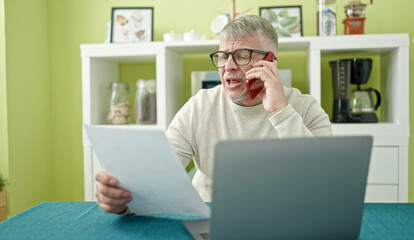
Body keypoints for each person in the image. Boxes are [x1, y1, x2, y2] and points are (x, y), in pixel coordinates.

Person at [95, 15, 332, 215]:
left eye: (241, 55)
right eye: (222, 56)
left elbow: (323, 187)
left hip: (282, 215)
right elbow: (158, 179)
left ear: (270, 61)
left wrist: (281, 111)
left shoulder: (306, 108)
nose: (228, 66)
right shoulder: (199, 106)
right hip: (211, 216)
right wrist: (122, 201)